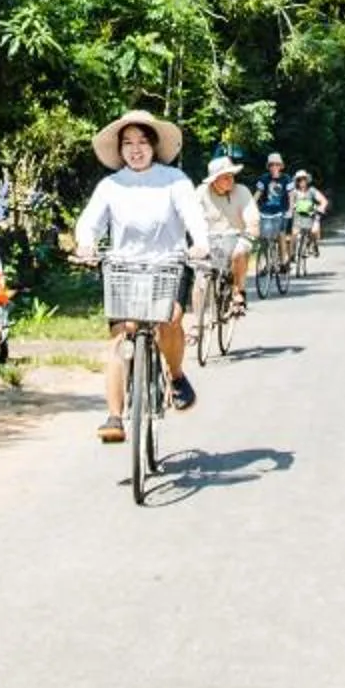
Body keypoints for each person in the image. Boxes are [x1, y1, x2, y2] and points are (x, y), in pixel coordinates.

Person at [69, 109, 209, 443]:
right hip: (124, 269)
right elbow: (89, 222)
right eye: (128, 142)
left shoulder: (175, 180)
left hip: (169, 265)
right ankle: (115, 417)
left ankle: (175, 377)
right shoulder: (110, 186)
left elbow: (193, 216)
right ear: (119, 149)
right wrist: (86, 244)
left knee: (169, 321)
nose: (135, 149)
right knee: (120, 337)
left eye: (143, 141)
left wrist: (201, 243)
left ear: (154, 146)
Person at [199, 152, 260, 317]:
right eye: (225, 177)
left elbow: (252, 216)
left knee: (240, 252)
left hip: (237, 237)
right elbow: (189, 217)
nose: (231, 180)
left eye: (231, 176)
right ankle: (197, 325)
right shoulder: (201, 193)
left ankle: (238, 291)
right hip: (210, 241)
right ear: (214, 180)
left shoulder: (242, 191)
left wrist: (250, 231)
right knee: (199, 280)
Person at [252, 152, 297, 275]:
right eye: (272, 165)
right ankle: (265, 264)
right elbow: (258, 193)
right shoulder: (264, 178)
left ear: (281, 166)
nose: (274, 167)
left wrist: (290, 210)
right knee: (264, 238)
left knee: (280, 234)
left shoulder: (286, 179)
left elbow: (291, 195)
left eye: (277, 164)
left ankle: (283, 261)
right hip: (266, 211)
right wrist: (251, 206)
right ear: (269, 166)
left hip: (282, 211)